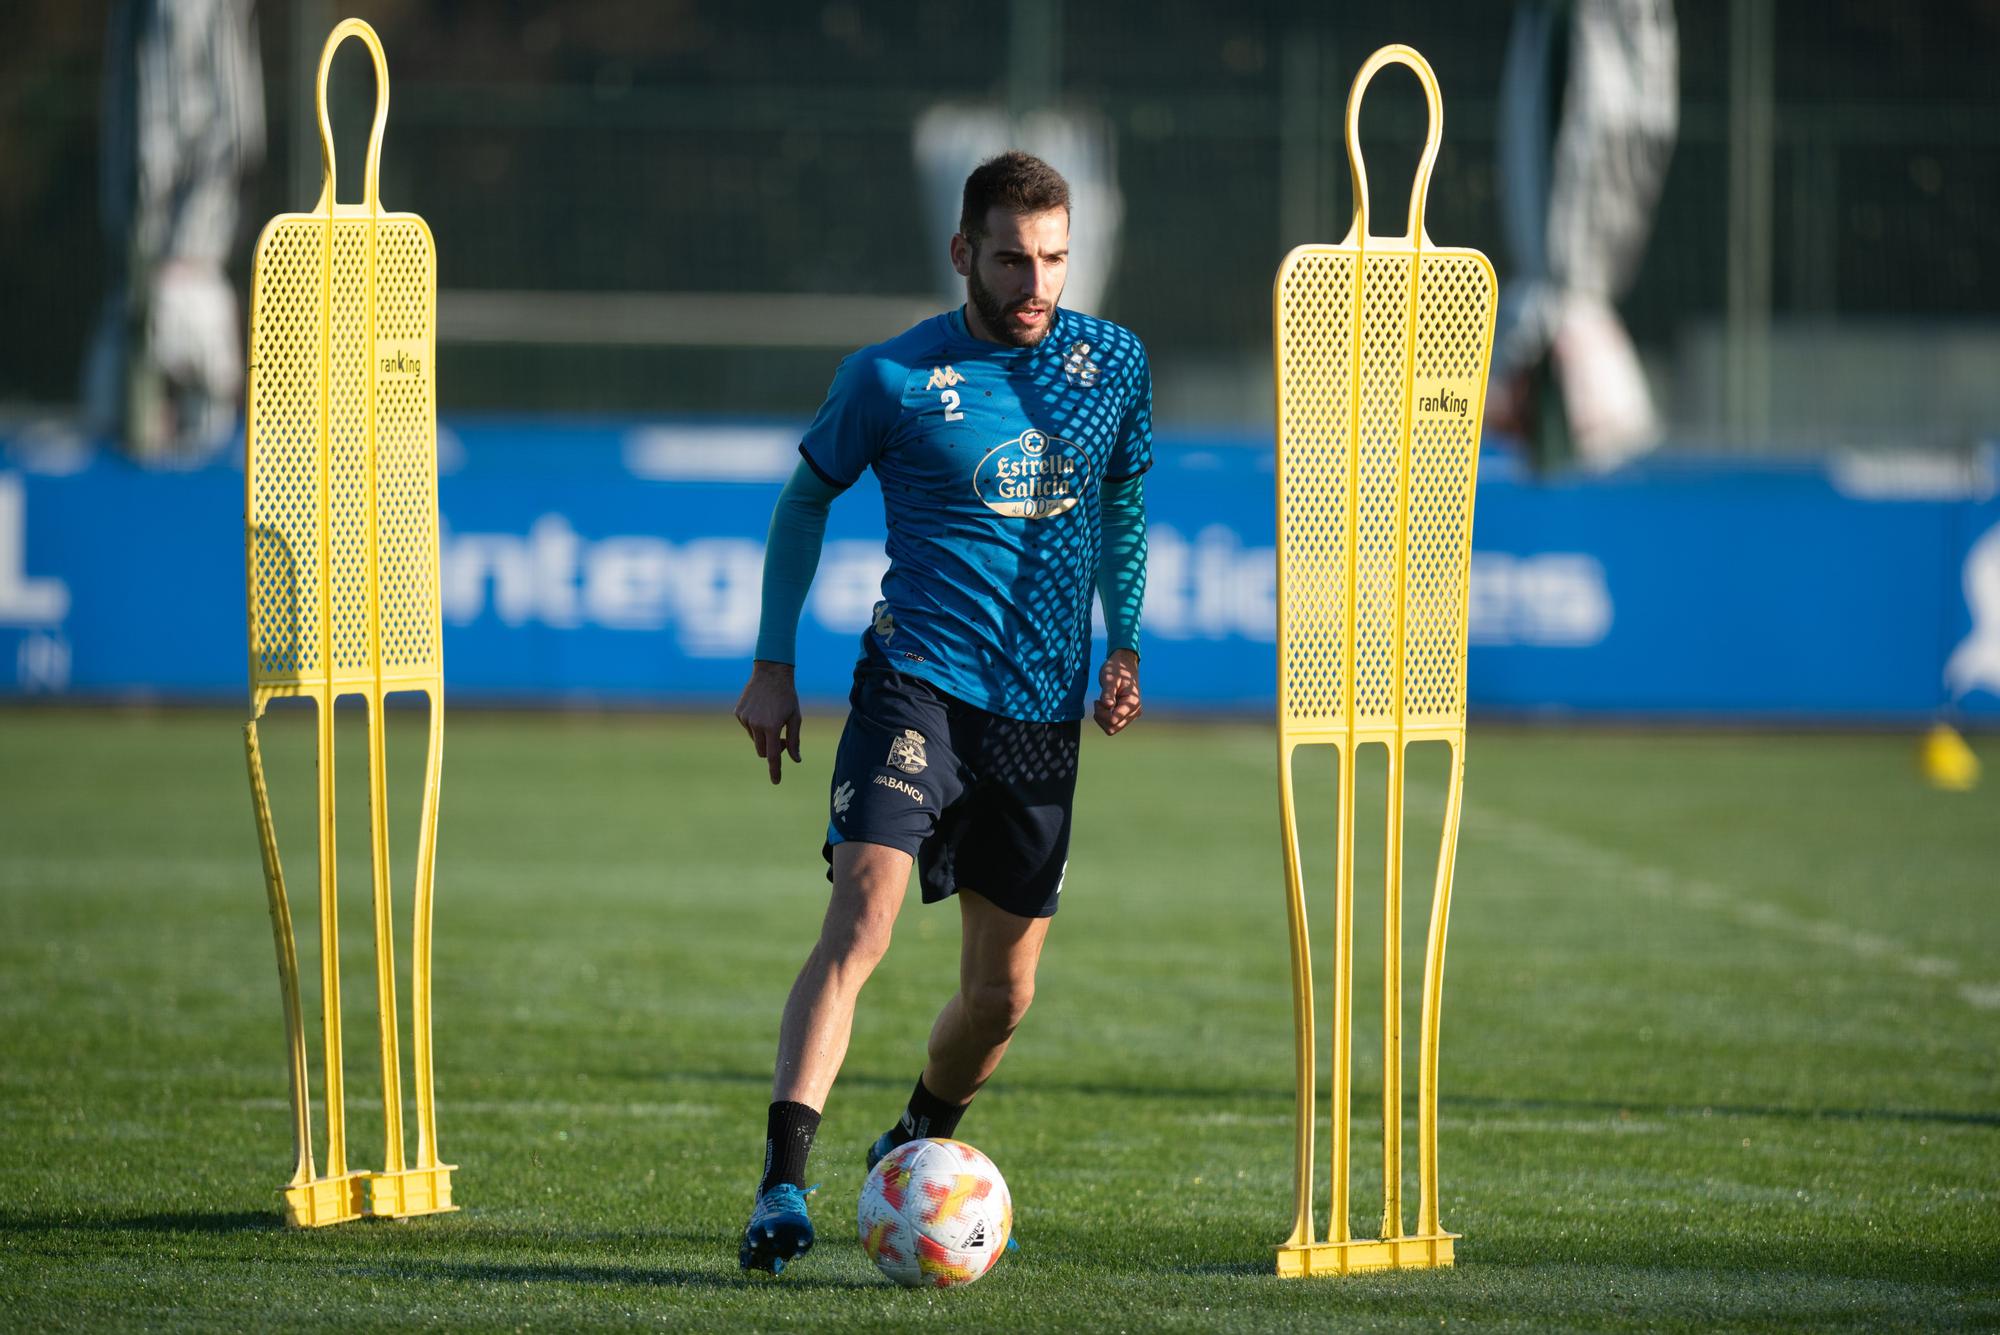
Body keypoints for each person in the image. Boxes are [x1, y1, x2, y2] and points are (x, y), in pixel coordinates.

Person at [731, 150, 1152, 1274]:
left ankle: (918, 1137)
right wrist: (772, 665)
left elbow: (1122, 498)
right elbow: (802, 500)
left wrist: (1126, 641)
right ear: (962, 252)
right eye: (1013, 257)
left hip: (1037, 722)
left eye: (1055, 259)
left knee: (999, 997)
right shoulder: (890, 377)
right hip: (914, 686)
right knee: (861, 922)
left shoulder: (1110, 363)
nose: (1036, 283)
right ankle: (781, 1187)